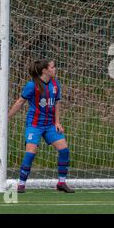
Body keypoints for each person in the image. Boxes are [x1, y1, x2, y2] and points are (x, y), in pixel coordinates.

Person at [8, 59, 74, 193]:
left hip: (50, 125)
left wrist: (57, 122)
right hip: (35, 125)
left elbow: (56, 103)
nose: (55, 69)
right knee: (31, 152)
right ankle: (21, 185)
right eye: (53, 67)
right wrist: (7, 117)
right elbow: (20, 102)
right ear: (45, 70)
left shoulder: (55, 84)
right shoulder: (32, 85)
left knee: (64, 150)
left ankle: (61, 183)